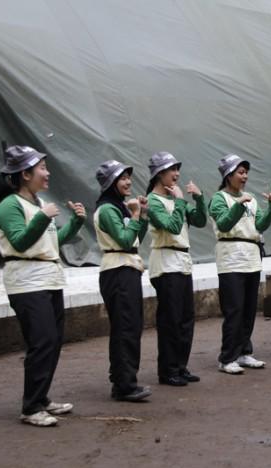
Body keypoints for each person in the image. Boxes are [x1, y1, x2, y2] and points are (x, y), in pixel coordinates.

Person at [0, 145, 85, 426]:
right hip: (26, 282)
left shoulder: (38, 203)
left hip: (49, 279)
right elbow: (20, 242)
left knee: (52, 341)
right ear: (25, 174)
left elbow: (51, 242)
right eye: (42, 168)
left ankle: (41, 398)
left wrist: (76, 223)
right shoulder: (10, 205)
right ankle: (30, 407)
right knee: (42, 341)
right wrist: (43, 217)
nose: (48, 173)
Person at [209, 154, 271, 374]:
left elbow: (260, 226)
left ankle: (244, 352)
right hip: (231, 258)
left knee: (248, 309)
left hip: (251, 257)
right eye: (240, 172)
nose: (245, 176)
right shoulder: (219, 198)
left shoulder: (251, 199)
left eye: (246, 172)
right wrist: (238, 205)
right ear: (228, 175)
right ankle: (227, 357)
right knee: (234, 309)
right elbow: (224, 224)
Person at [146, 152, 207, 386]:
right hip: (165, 263)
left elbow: (199, 221)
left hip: (182, 262)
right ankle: (168, 370)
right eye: (172, 169)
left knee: (185, 318)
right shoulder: (153, 201)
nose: (177, 174)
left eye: (177, 169)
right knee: (170, 319)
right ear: (159, 173)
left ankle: (181, 366)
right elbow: (171, 227)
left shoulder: (175, 198)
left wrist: (198, 199)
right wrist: (181, 201)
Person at [94, 160, 152, 402]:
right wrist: (136, 214)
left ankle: (123, 378)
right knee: (125, 327)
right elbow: (125, 240)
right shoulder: (108, 209)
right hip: (117, 270)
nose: (128, 182)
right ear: (111, 182)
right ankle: (124, 385)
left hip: (127, 267)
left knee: (130, 326)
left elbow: (136, 238)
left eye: (128, 177)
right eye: (122, 178)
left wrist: (142, 215)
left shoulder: (119, 207)